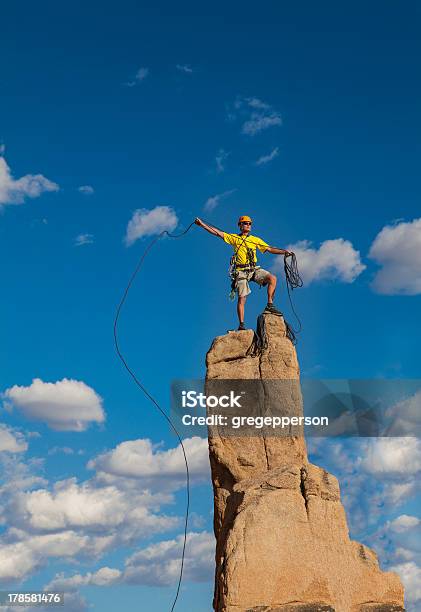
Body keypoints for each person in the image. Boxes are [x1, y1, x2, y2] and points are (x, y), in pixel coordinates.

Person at [195, 215, 293, 330]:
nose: (248, 225)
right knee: (242, 297)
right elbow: (217, 233)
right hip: (241, 271)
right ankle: (241, 325)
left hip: (254, 269)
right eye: (246, 223)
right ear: (240, 226)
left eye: (249, 223)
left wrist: (284, 252)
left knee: (273, 278)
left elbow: (270, 249)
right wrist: (202, 224)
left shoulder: (255, 240)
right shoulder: (234, 238)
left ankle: (270, 305)